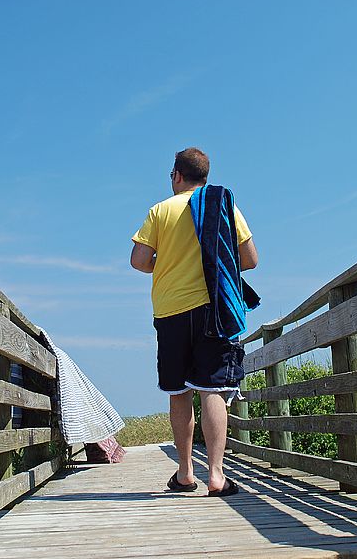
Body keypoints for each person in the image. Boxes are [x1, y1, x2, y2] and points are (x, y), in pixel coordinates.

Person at [130, 147, 258, 497]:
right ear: (206, 177)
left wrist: (168, 262)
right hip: (212, 309)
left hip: (170, 311)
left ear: (177, 175)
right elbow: (250, 259)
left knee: (179, 391)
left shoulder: (160, 211)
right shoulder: (223, 206)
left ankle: (185, 472)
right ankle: (216, 475)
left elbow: (139, 261)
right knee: (213, 389)